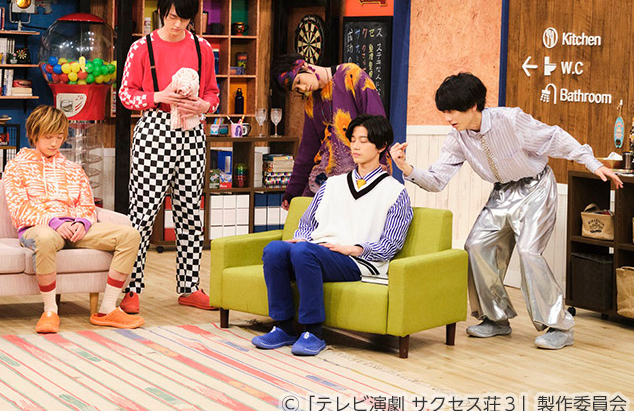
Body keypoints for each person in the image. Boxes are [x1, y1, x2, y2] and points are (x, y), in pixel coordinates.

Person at [389, 72, 622, 350]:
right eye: (444, 111)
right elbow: (438, 180)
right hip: (501, 193)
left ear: (472, 106)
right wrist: (406, 168)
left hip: (536, 187)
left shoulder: (511, 120)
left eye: (452, 111)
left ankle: (559, 326)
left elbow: (555, 138)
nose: (448, 118)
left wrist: (594, 164)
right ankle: (495, 318)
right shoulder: (457, 138)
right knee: (476, 246)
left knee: (529, 252)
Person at [252, 115, 411, 356]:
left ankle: (314, 332)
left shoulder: (395, 192)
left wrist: (354, 248)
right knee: (275, 249)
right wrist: (302, 238)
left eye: (363, 141)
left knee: (304, 252)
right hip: (317, 252)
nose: (355, 146)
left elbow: (391, 244)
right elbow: (307, 223)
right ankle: (283, 326)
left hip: (356, 261)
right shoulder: (332, 184)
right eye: (353, 140)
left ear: (381, 146)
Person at [117, 0, 220, 314]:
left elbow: (214, 94)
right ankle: (131, 289)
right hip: (154, 129)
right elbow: (125, 94)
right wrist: (157, 96)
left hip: (193, 133)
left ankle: (189, 287)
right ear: (161, 13)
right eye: (172, 17)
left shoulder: (203, 48)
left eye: (184, 18)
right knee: (142, 213)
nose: (177, 24)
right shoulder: (141, 47)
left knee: (190, 212)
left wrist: (205, 106)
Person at [3, 105, 145, 333]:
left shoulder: (73, 169)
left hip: (75, 229)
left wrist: (82, 223)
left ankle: (107, 308)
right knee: (45, 238)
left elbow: (87, 205)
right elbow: (19, 208)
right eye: (48, 137)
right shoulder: (16, 167)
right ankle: (50, 311)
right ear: (34, 134)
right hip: (39, 228)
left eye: (59, 137)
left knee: (130, 235)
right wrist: (54, 222)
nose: (54, 143)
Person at [270, 54, 386, 209]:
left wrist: (379, 165)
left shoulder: (351, 75)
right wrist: (292, 192)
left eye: (299, 81)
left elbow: (378, 124)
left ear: (304, 66)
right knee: (304, 215)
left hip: (362, 172)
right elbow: (307, 150)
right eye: (297, 89)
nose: (303, 88)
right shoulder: (312, 104)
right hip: (327, 179)